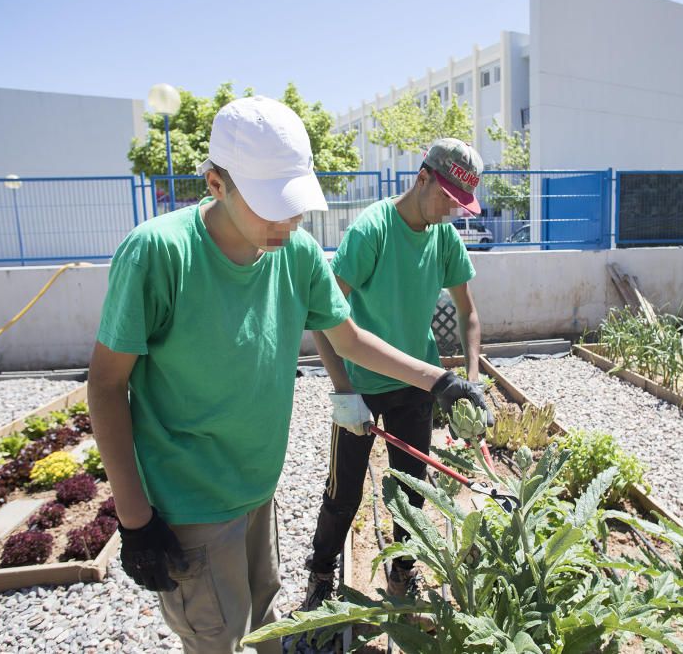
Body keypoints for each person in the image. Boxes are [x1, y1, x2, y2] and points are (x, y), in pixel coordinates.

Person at [87, 97, 489, 654]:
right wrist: (134, 520)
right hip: (190, 501)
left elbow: (348, 338)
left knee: (266, 619)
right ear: (217, 184)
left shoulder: (294, 250)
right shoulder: (159, 254)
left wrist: (439, 381)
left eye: (294, 205)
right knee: (218, 636)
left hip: (257, 488)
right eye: (271, 205)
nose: (288, 221)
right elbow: (106, 385)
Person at [300, 138, 485, 612]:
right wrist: (344, 392)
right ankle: (321, 574)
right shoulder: (372, 231)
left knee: (412, 489)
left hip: (417, 385)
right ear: (423, 177)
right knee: (344, 492)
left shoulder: (445, 239)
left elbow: (468, 314)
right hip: (360, 386)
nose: (451, 211)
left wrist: (471, 377)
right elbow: (322, 315)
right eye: (447, 198)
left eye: (459, 204)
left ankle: (403, 569)